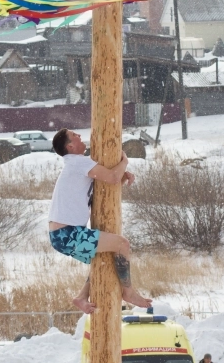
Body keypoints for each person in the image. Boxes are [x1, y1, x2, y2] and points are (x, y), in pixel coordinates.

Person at [49, 128, 152, 314]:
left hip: (62, 235)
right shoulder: (78, 162)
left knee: (102, 258)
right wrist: (124, 162)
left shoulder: (76, 164)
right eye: (74, 135)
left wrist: (121, 177)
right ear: (70, 146)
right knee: (122, 244)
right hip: (67, 233)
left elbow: (102, 190)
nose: (79, 136)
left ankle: (81, 297)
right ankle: (128, 292)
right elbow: (111, 177)